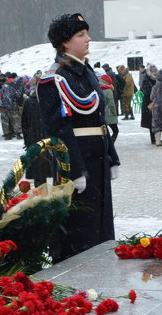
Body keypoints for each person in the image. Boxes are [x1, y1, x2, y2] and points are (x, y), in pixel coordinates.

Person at [37, 13, 120, 262]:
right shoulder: (54, 78)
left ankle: (102, 266)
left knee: (101, 224)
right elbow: (59, 129)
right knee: (80, 230)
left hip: (98, 159)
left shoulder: (86, 72)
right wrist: (74, 170)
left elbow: (99, 119)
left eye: (86, 33)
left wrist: (111, 156)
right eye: (81, 35)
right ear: (65, 42)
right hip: (76, 161)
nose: (88, 39)